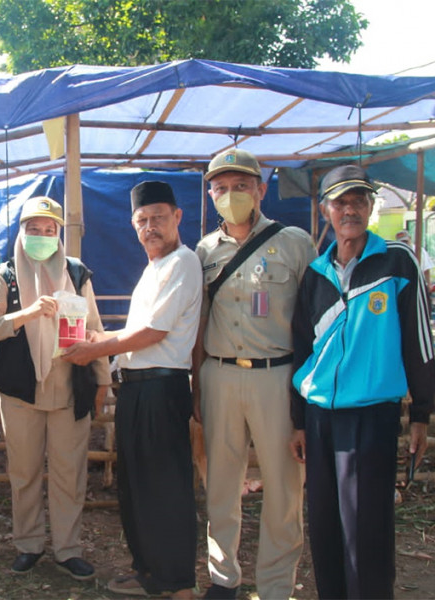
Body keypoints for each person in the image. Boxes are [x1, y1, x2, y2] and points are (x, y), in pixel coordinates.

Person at [290, 165, 435, 599]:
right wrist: (299, 421)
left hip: (371, 417)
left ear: (371, 208)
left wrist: (421, 413)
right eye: (340, 202)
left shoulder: (396, 261)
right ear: (325, 211)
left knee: (366, 529)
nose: (349, 210)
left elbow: (419, 341)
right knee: (325, 526)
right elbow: (301, 349)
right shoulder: (315, 274)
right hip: (320, 417)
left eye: (359, 201)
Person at [63, 181, 201, 598]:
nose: (150, 227)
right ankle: (149, 572)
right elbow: (137, 332)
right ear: (133, 225)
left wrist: (95, 349)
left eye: (158, 217)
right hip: (138, 390)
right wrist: (96, 338)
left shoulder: (183, 262)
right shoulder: (153, 269)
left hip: (161, 389)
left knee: (166, 486)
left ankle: (178, 584)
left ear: (177, 217)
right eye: (142, 220)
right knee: (137, 484)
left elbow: (153, 332)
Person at [192, 149, 317, 599]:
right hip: (219, 375)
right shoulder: (203, 251)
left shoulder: (296, 243)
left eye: (241, 186)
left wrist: (304, 397)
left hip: (277, 378)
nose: (232, 195)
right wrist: (196, 386)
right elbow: (199, 324)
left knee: (284, 486)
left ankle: (276, 584)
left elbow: (313, 321)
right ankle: (223, 578)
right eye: (222, 188)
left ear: (261, 190)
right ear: (211, 195)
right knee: (221, 484)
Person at [0, 196, 111, 581]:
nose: (42, 236)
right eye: (34, 229)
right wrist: (27, 313)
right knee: (25, 472)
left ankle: (68, 549)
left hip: (70, 390)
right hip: (20, 392)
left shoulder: (77, 273)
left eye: (50, 230)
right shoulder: (5, 276)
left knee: (69, 473)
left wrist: (102, 379)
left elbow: (95, 327)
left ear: (58, 235)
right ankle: (29, 544)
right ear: (22, 232)